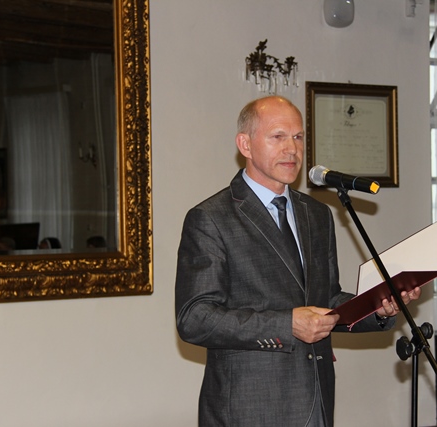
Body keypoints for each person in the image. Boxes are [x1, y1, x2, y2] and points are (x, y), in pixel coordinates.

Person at [175, 96, 421, 427]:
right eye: (278, 136)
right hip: (250, 407)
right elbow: (194, 318)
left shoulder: (317, 214)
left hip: (316, 397)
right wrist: (286, 325)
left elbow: (327, 301)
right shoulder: (212, 218)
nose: (292, 149)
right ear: (245, 144)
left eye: (298, 137)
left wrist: (378, 308)